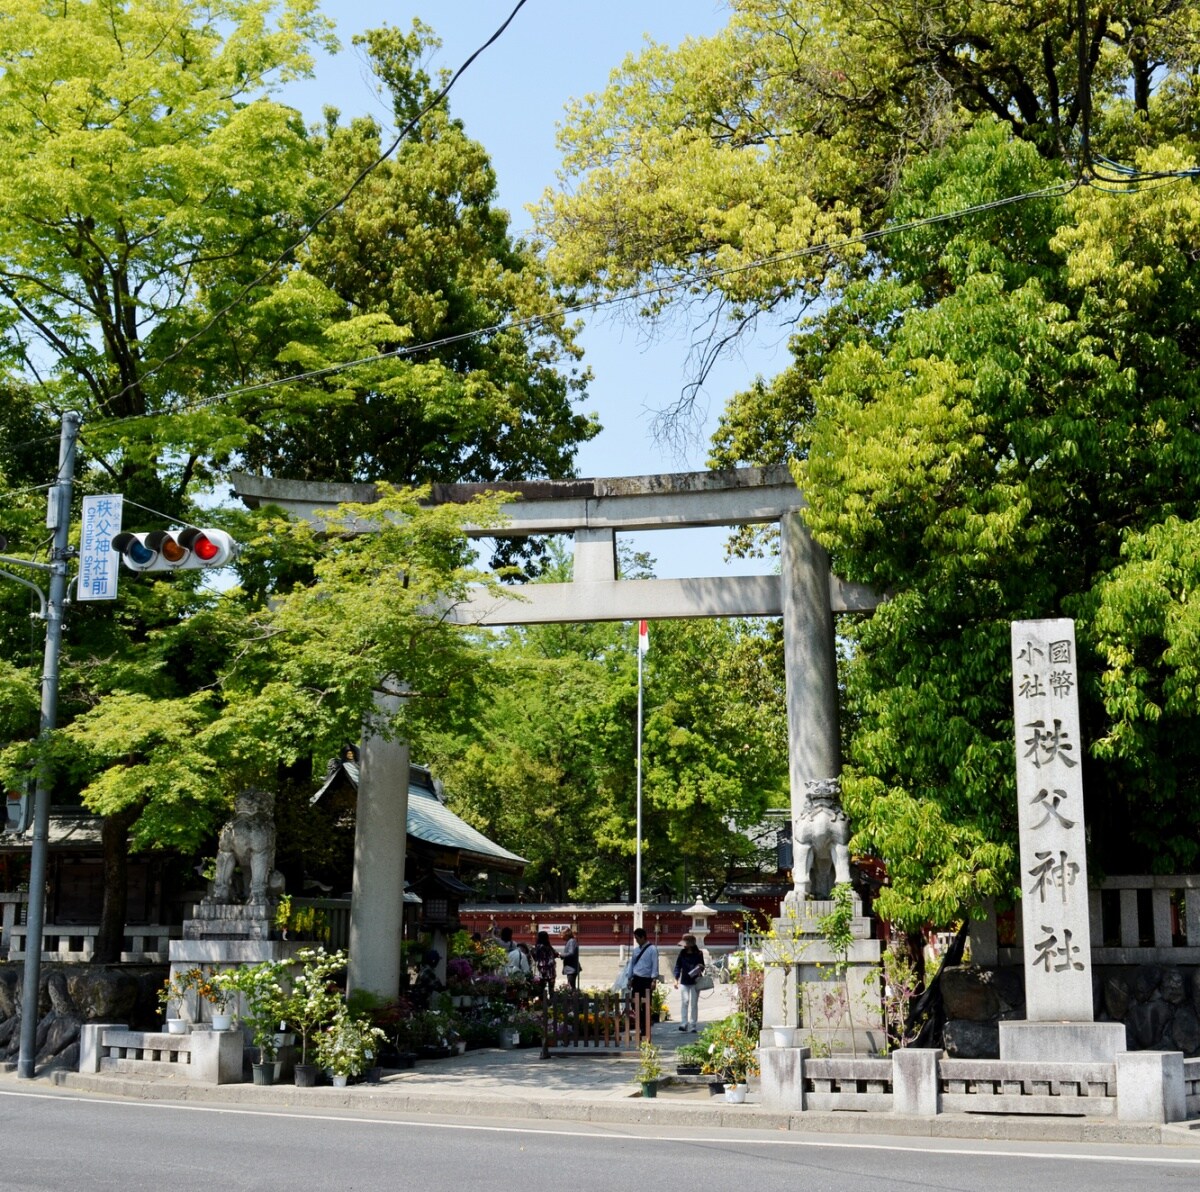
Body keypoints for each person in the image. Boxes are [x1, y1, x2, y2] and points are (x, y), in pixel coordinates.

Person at [627, 926, 659, 1039]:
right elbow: (631, 965)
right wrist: (629, 978)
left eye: (637, 938)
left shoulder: (652, 950)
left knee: (646, 1005)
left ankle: (645, 1028)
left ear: (643, 937)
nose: (636, 941)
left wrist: (654, 979)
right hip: (636, 979)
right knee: (634, 1004)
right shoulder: (636, 951)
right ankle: (641, 1025)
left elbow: (655, 965)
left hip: (647, 980)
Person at [673, 933, 705, 1032]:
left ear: (691, 943)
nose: (684, 945)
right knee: (685, 1001)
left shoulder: (699, 953)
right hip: (684, 981)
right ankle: (684, 1023)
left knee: (694, 1003)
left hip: (695, 981)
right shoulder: (682, 953)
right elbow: (678, 966)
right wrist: (676, 979)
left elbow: (702, 966)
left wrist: (699, 968)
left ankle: (693, 1024)